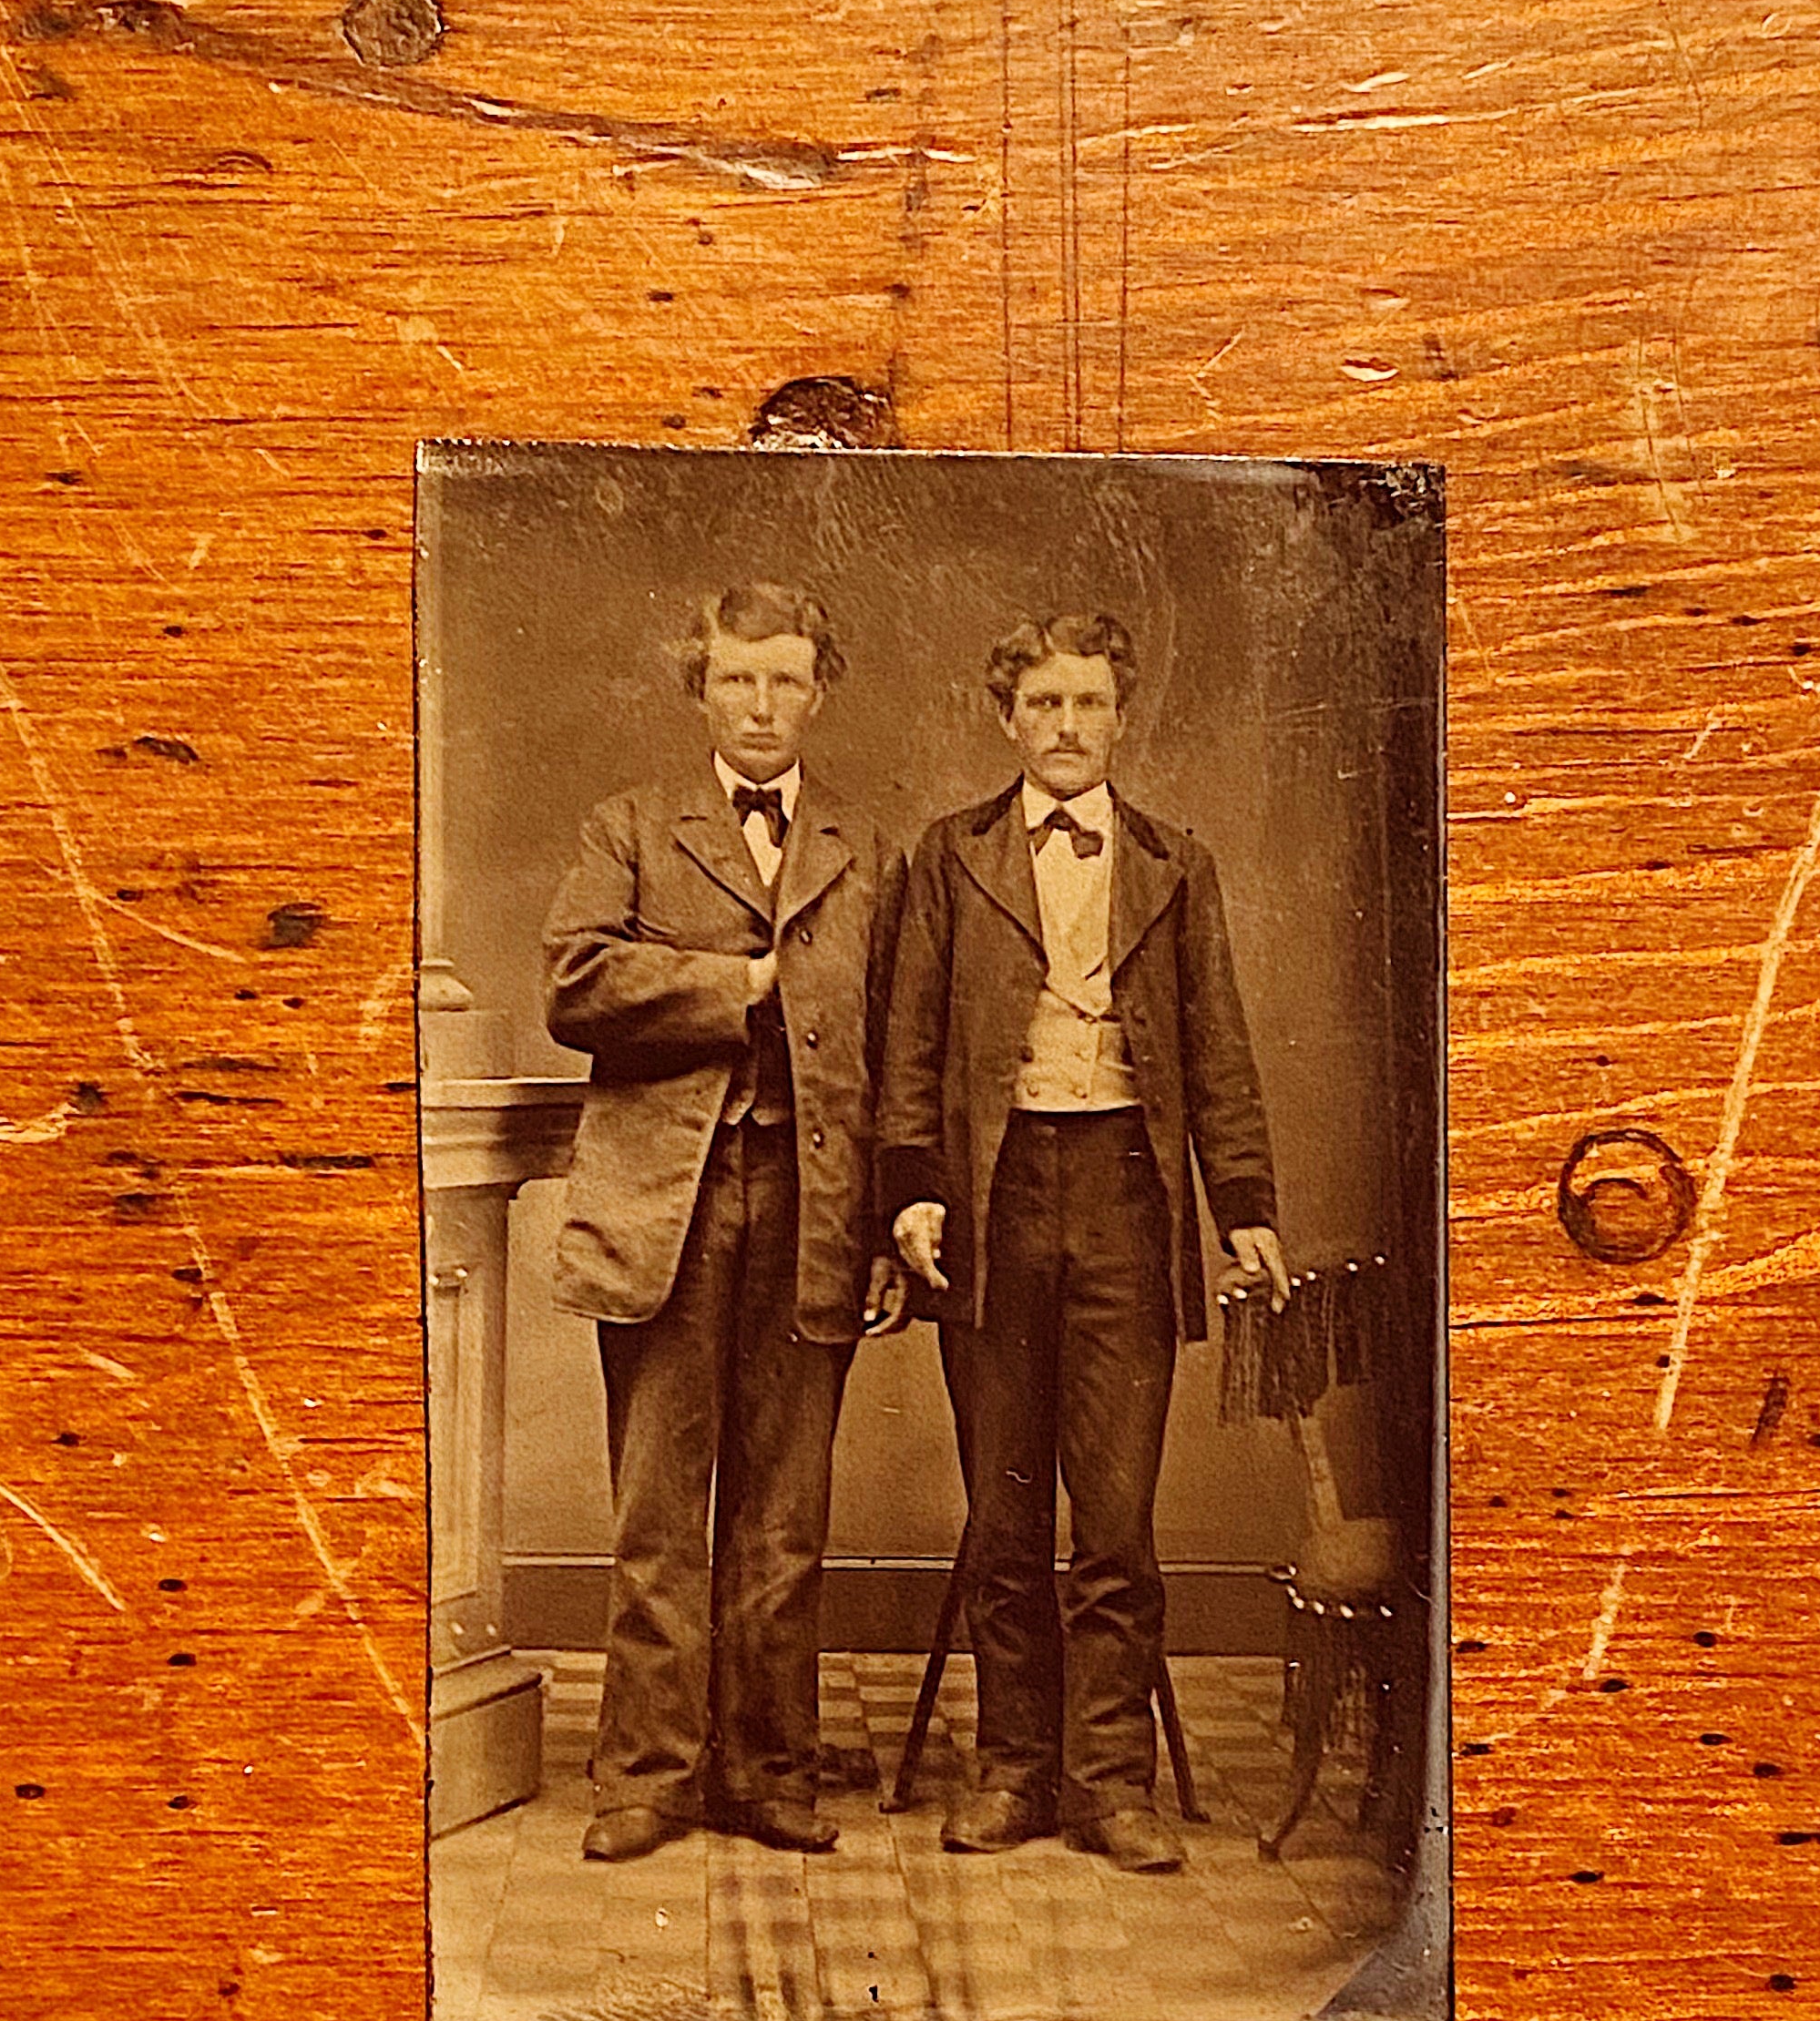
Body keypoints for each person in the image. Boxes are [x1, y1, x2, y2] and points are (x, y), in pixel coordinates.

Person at [878, 610, 1288, 1873]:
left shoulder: (1176, 861)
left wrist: (1247, 1205)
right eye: (1044, 705)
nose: (1066, 728)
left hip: (1126, 1195)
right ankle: (1011, 1769)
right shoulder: (951, 857)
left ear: (1121, 718)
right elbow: (910, 1045)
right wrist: (913, 1190)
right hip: (997, 1204)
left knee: (1115, 1519)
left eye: (1090, 705)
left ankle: (1111, 1783)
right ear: (1008, 718)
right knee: (1006, 1513)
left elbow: (1218, 1047)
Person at [542, 581, 906, 1863]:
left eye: (787, 679)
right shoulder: (630, 828)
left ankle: (767, 1770)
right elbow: (572, 982)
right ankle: (644, 1775)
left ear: (819, 691)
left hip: (812, 1211)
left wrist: (875, 1229)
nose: (761, 704)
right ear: (700, 687)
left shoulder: (868, 851)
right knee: (657, 1514)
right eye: (738, 679)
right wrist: (735, 985)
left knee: (786, 1518)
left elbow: (891, 1052)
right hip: (667, 1216)